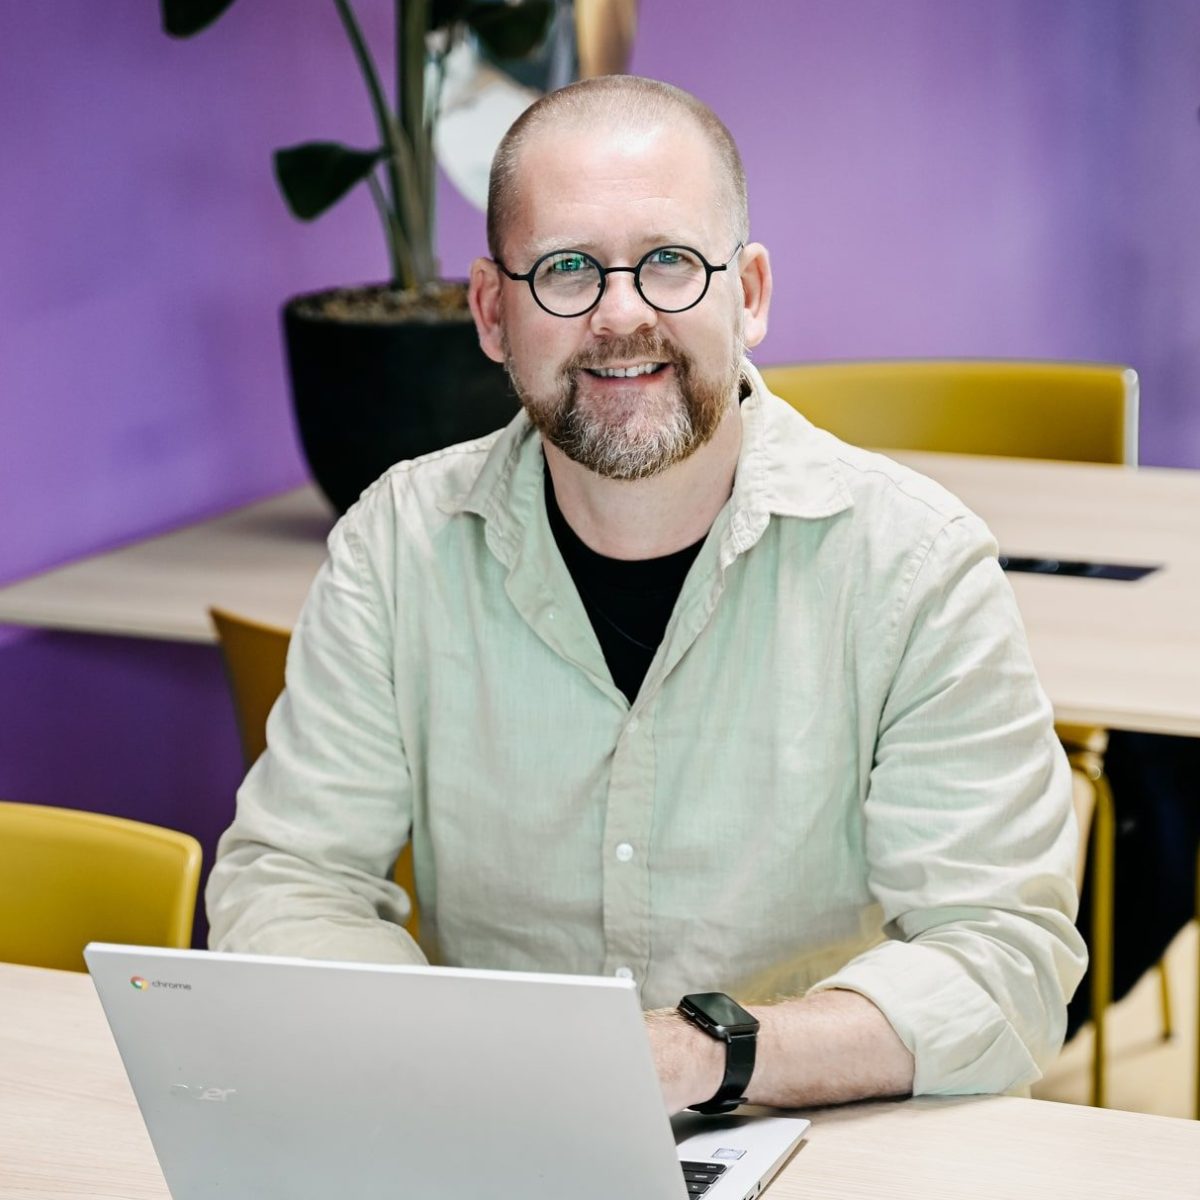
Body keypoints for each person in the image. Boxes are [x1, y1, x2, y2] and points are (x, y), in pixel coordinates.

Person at [207, 75, 1085, 1114]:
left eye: (670, 260)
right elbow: (290, 884)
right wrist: (449, 1065)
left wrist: (698, 1055)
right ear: (492, 313)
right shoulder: (397, 546)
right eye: (567, 268)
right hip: (498, 1137)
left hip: (825, 1140)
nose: (621, 314)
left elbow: (1003, 962)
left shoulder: (915, 565)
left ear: (747, 293)